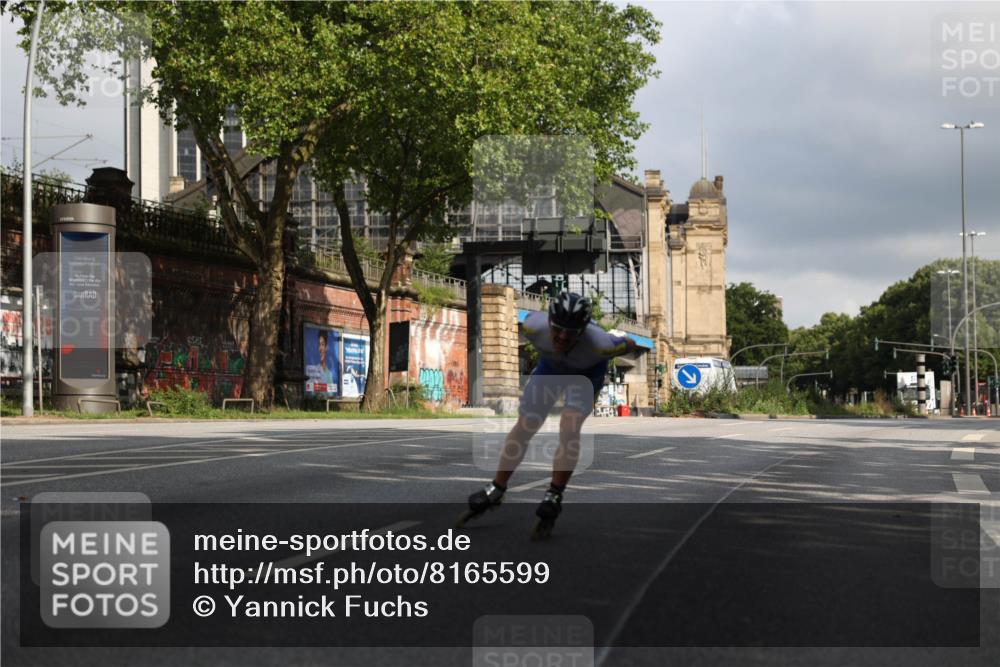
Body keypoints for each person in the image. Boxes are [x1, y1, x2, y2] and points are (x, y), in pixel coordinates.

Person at [457, 291, 637, 539]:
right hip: (550, 369)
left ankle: (554, 493)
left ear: (583, 331)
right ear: (550, 322)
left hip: (587, 372)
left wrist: (620, 338)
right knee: (526, 424)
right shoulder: (533, 326)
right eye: (558, 330)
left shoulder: (600, 345)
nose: (563, 337)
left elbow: (630, 344)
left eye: (571, 333)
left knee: (569, 426)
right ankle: (497, 487)